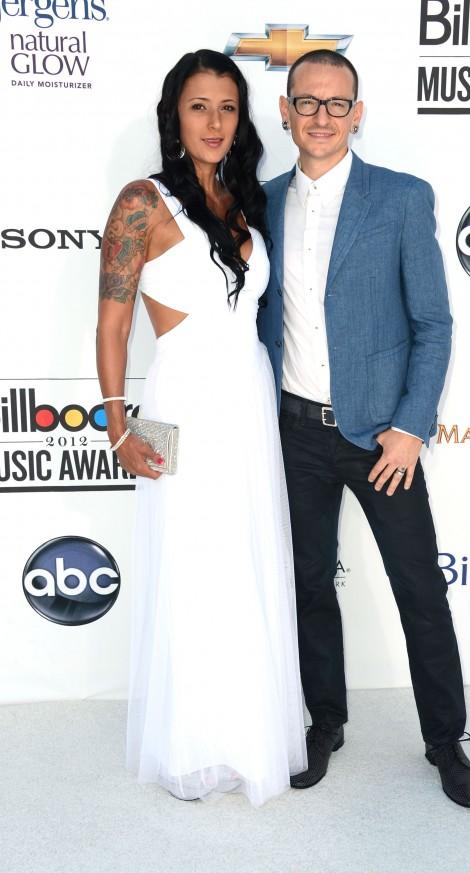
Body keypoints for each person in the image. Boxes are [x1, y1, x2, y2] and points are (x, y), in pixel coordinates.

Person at [257, 49, 470, 808]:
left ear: (358, 114)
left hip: (381, 439)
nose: (321, 116)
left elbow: (434, 323)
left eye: (336, 103)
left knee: (419, 586)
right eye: (307, 102)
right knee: (309, 584)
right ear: (286, 112)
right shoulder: (260, 205)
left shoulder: (400, 198)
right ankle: (325, 721)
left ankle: (445, 738)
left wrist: (411, 427)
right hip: (292, 432)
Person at [96, 50, 306, 806]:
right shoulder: (142, 202)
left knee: (245, 561)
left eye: (226, 107)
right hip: (184, 396)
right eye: (198, 106)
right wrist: (119, 428)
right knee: (192, 564)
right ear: (174, 116)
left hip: (248, 400)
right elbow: (114, 326)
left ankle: (247, 732)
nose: (214, 122)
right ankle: (192, 742)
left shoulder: (244, 199)